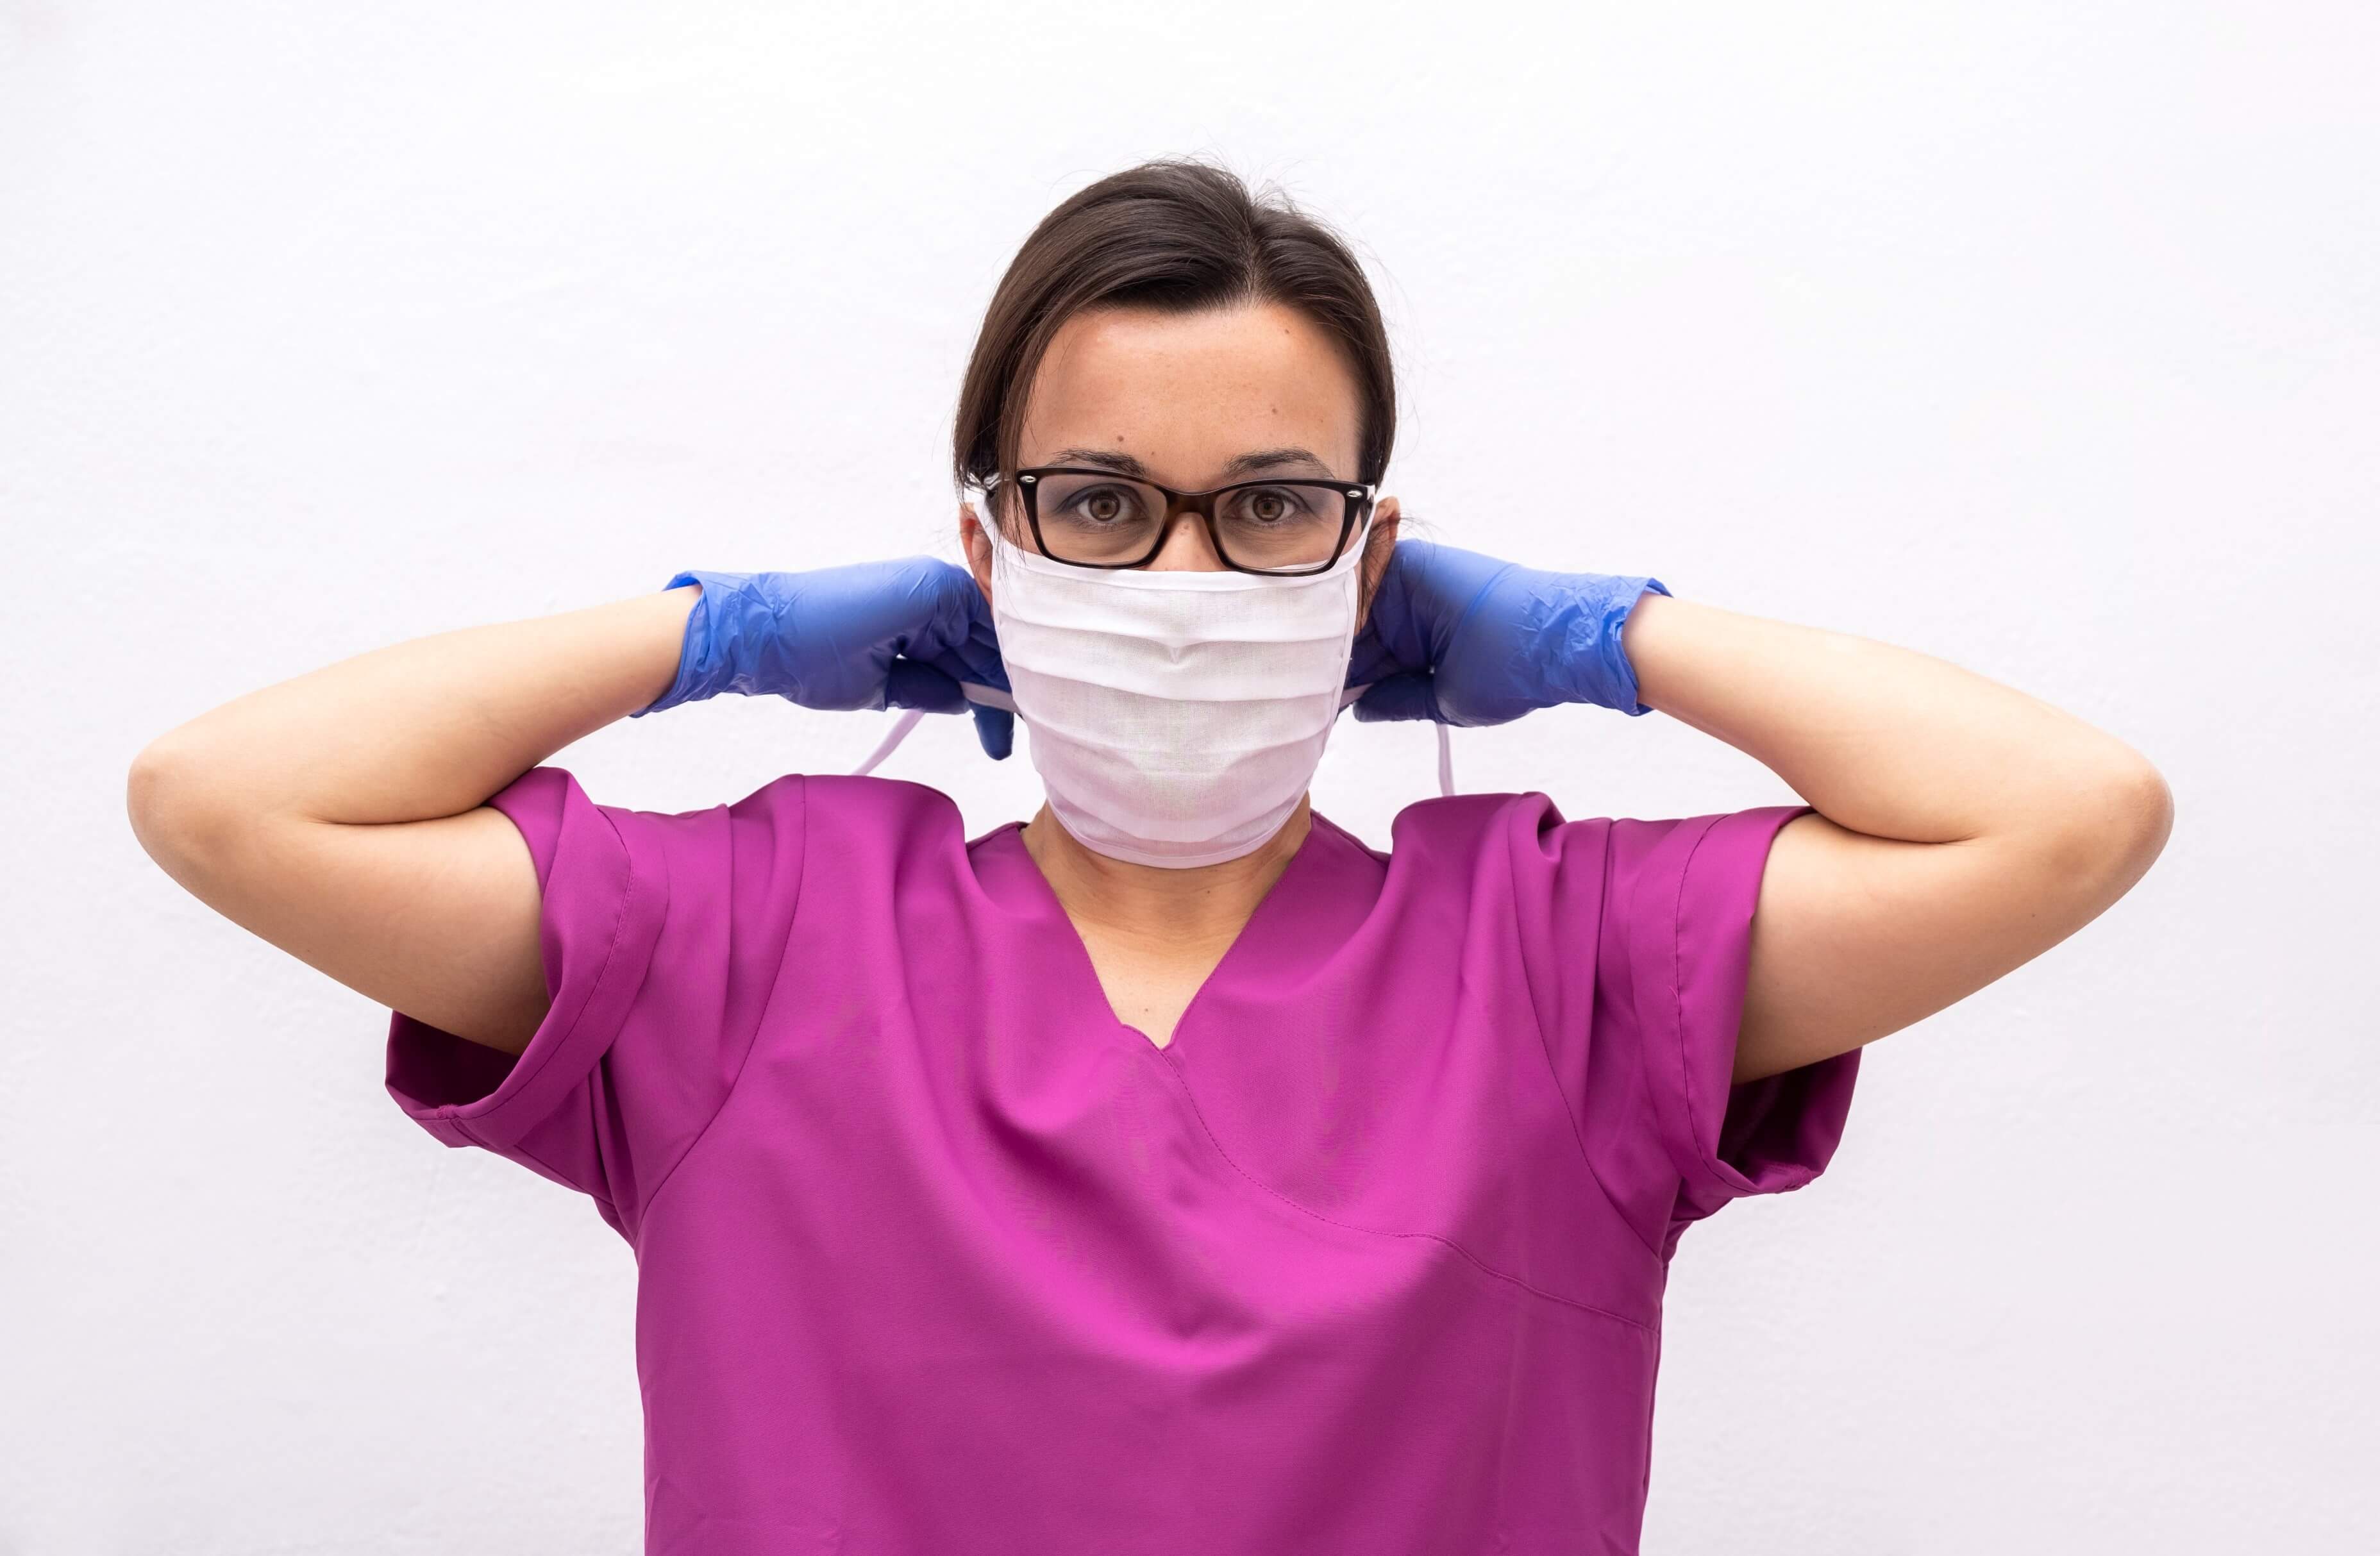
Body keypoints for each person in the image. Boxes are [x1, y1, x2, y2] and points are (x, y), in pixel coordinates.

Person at [126, 158, 2174, 1554]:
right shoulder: (748, 938)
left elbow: (2072, 815)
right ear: (987, 544)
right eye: (1100, 504)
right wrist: (711, 633)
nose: (1185, 577)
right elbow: (223, 800)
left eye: (1270, 507)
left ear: (1372, 559)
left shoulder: (1561, 959)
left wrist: (1608, 641)